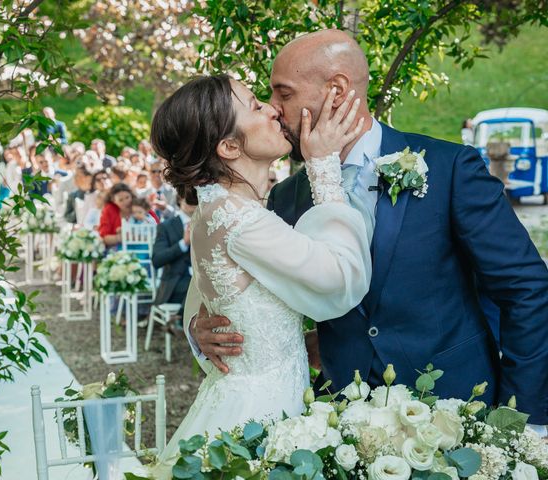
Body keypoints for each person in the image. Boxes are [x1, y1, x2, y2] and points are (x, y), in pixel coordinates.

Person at [190, 30, 548, 433]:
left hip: (459, 413)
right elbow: (228, 285)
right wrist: (201, 331)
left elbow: (526, 289)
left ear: (337, 91)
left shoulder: (450, 169)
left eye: (283, 94)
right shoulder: (285, 197)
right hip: (340, 422)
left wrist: (526, 418)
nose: (273, 109)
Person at [149, 74, 371, 473]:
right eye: (255, 105)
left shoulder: (215, 210)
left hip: (251, 392)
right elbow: (340, 274)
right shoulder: (241, 221)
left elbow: (225, 296)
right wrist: (323, 168)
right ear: (230, 146)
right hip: (262, 411)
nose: (272, 109)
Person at [151, 196, 196, 320]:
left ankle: (178, 319)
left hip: (200, 280)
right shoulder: (166, 226)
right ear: (180, 199)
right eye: (190, 197)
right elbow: (157, 260)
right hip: (174, 285)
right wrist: (184, 243)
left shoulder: (208, 225)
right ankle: (182, 321)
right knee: (197, 286)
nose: (194, 201)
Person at [98, 182, 134, 248]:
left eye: (127, 197)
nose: (126, 202)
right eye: (121, 200)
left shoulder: (140, 205)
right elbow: (104, 237)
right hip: (117, 250)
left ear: (131, 195)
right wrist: (121, 237)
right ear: (114, 201)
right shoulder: (109, 209)